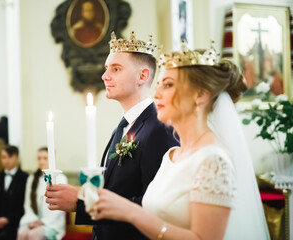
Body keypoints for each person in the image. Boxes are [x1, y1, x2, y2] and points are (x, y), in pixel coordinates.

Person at [90, 42, 270, 239]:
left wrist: (132, 213)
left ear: (200, 95)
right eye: (158, 84)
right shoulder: (172, 156)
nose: (156, 94)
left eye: (167, 85)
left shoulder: (213, 160)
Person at [45, 31, 179, 240]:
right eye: (107, 68)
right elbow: (115, 189)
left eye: (116, 69)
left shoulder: (159, 129)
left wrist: (82, 203)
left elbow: (155, 206)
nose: (104, 76)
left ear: (142, 76)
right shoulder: (122, 127)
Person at [17, 147, 67, 240]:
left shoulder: (60, 179)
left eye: (45, 158)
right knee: (22, 233)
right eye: (39, 158)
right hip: (33, 219)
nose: (41, 161)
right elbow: (27, 205)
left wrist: (43, 222)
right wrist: (32, 220)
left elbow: (60, 207)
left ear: (52, 160)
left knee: (35, 235)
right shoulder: (31, 178)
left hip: (52, 224)